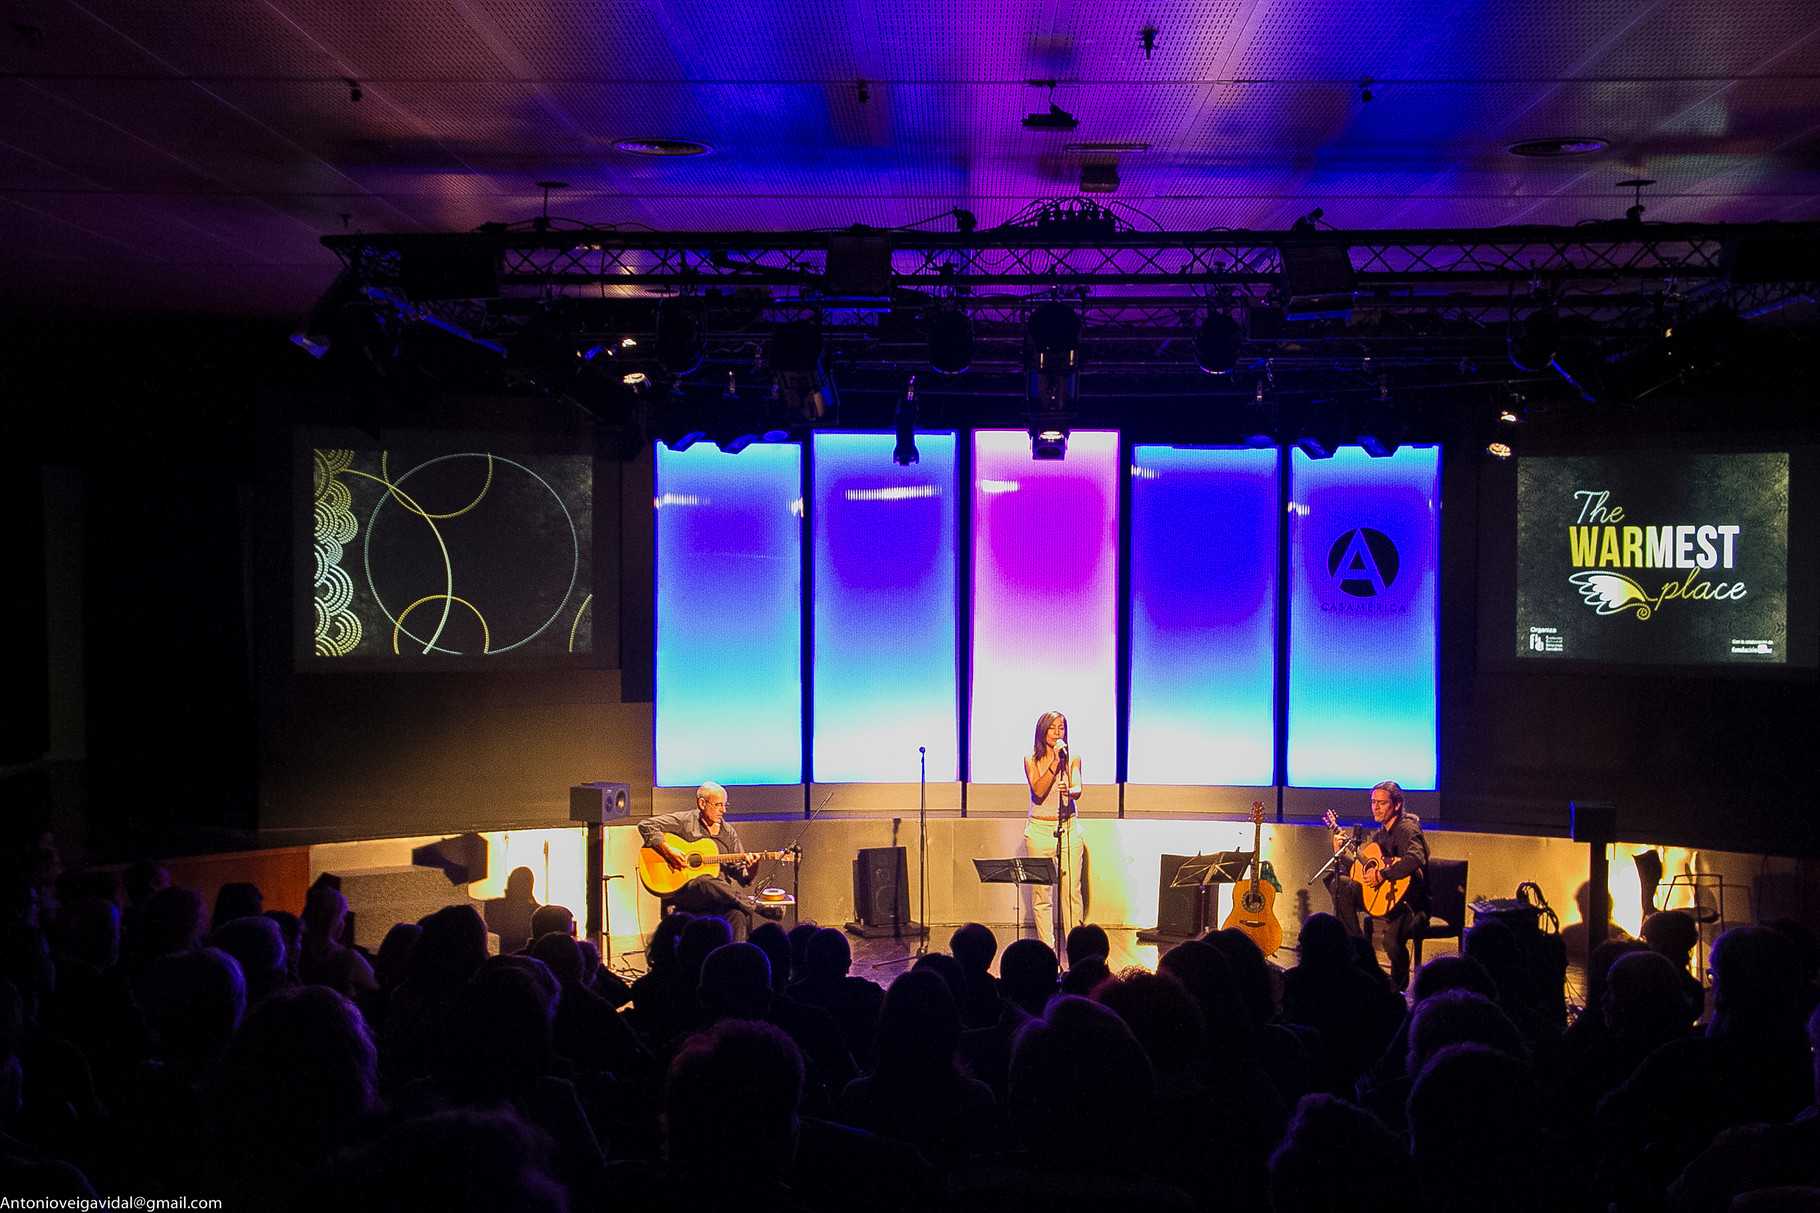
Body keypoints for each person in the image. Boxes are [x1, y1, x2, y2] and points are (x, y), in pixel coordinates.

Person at [1324, 780, 1427, 992]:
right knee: (1339, 883)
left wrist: (1383, 874)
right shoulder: (1381, 834)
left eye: (1382, 803)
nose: (1376, 807)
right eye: (1373, 802)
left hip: (1410, 902)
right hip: (1382, 897)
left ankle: (1396, 987)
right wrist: (1341, 853)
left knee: (1391, 941)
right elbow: (1362, 873)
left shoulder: (1407, 828)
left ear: (1396, 805)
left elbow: (1416, 858)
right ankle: (1358, 948)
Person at [637, 782, 759, 940]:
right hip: (689, 897)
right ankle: (753, 905)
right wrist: (668, 850)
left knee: (738, 915)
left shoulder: (729, 833)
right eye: (718, 805)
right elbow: (646, 825)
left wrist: (752, 867)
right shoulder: (684, 821)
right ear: (702, 803)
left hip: (719, 900)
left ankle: (734, 960)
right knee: (703, 881)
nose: (724, 810)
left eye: (724, 805)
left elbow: (741, 876)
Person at [1023, 711, 1085, 949]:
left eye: (1061, 728)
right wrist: (1054, 764)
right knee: (1042, 895)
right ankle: (1046, 949)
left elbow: (1077, 785)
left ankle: (1075, 948)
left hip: (1068, 828)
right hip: (1039, 830)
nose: (1058, 732)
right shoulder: (1031, 759)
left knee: (1071, 892)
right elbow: (1038, 791)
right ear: (1043, 731)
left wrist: (1070, 790)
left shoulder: (1072, 758)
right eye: (1053, 728)